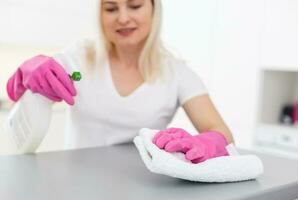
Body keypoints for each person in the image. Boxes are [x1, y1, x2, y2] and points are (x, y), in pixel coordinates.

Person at [5, 0, 234, 163]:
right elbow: (18, 103)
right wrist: (26, 78)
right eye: (111, 8)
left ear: (154, 9)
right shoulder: (80, 56)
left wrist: (206, 143)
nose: (123, 18)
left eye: (134, 5)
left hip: (143, 187)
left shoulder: (177, 73)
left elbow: (221, 132)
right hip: (75, 183)